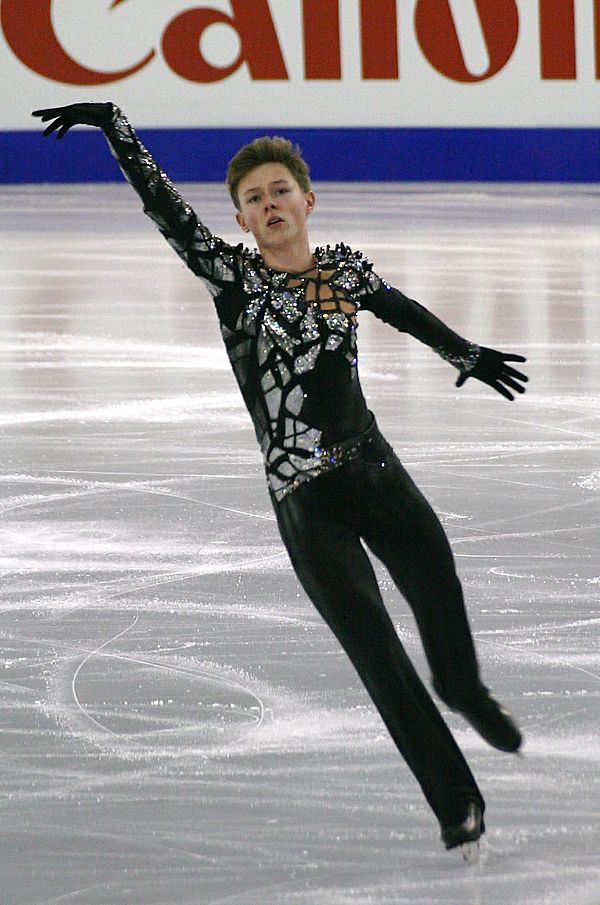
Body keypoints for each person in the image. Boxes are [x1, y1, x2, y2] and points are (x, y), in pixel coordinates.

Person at [32, 103, 528, 854]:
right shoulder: (232, 280)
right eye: (253, 199)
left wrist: (466, 354)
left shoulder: (344, 269)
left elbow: (404, 312)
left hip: (376, 469)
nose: (268, 205)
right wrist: (114, 128)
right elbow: (165, 207)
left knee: (436, 577)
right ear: (240, 218)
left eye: (279, 191)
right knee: (379, 656)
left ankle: (461, 685)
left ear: (307, 200)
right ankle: (456, 802)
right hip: (305, 501)